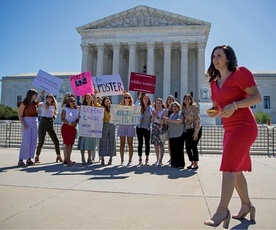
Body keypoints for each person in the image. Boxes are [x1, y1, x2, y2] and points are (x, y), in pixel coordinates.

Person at [204, 45, 261, 228]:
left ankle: (222, 211)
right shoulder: (213, 82)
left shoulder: (240, 74)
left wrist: (235, 105)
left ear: (228, 58)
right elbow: (217, 106)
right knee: (235, 170)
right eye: (213, 56)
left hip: (244, 126)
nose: (215, 58)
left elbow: (256, 97)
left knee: (228, 167)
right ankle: (247, 205)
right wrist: (211, 112)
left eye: (219, 55)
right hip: (228, 128)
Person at [35, 93, 62, 163]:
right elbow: (36, 103)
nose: (49, 98)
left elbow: (55, 113)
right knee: (41, 141)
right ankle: (37, 156)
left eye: (50, 97)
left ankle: (58, 155)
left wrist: (54, 116)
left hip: (50, 122)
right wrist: (41, 95)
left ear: (53, 98)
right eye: (47, 97)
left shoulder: (54, 106)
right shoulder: (43, 104)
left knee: (56, 140)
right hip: (43, 121)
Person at [17, 89, 42, 167]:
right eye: (35, 95)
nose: (36, 96)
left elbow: (40, 99)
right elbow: (20, 115)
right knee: (26, 140)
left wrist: (43, 92)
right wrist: (23, 124)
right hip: (26, 120)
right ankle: (21, 159)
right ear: (31, 95)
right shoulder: (23, 104)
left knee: (33, 141)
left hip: (34, 121)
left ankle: (29, 158)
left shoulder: (35, 103)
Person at [181, 94, 202, 170]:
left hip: (196, 128)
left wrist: (196, 132)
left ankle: (196, 164)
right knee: (187, 147)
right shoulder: (184, 109)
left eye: (188, 99)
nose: (187, 100)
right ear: (183, 100)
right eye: (185, 99)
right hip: (188, 129)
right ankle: (192, 162)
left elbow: (198, 119)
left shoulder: (194, 107)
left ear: (191, 100)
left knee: (194, 146)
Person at [77, 93, 99, 165]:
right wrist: (79, 117)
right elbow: (78, 115)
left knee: (90, 143)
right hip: (84, 126)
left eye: (89, 97)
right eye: (87, 98)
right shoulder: (82, 107)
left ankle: (89, 157)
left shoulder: (94, 107)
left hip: (92, 127)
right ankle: (83, 157)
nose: (88, 99)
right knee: (82, 143)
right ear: (84, 99)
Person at [164, 101, 186, 168]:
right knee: (173, 150)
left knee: (179, 150)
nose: (174, 108)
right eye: (173, 106)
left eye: (176, 106)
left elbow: (179, 121)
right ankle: (174, 163)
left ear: (178, 107)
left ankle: (181, 164)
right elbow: (166, 123)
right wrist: (165, 119)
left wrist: (169, 120)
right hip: (172, 135)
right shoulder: (171, 115)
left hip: (179, 134)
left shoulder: (180, 113)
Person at [118, 92, 136, 166]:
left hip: (130, 125)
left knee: (130, 143)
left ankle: (130, 160)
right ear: (123, 98)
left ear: (130, 99)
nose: (127, 99)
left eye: (128, 97)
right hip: (122, 125)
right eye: (125, 97)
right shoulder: (120, 106)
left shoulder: (133, 106)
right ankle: (122, 160)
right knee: (122, 143)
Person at [61, 96, 79, 166]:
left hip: (73, 128)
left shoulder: (76, 110)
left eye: (74, 101)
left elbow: (77, 118)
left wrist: (76, 122)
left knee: (71, 144)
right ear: (68, 102)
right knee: (67, 144)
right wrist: (69, 123)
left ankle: (68, 158)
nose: (73, 102)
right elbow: (62, 118)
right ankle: (67, 159)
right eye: (71, 101)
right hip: (66, 127)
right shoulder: (65, 109)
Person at [136, 93, 152, 166]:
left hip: (147, 127)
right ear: (142, 99)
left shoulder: (150, 108)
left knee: (147, 144)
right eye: (144, 98)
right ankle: (140, 159)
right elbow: (134, 113)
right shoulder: (139, 106)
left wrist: (153, 118)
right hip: (139, 127)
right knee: (140, 143)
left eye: (147, 98)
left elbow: (152, 118)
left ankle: (147, 159)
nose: (146, 99)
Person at [151, 98, 168, 166]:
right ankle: (157, 159)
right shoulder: (153, 110)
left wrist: (157, 116)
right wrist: (153, 115)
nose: (158, 104)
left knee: (161, 145)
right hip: (154, 126)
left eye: (159, 103)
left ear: (162, 103)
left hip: (161, 127)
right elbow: (152, 120)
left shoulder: (164, 111)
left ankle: (160, 160)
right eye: (157, 103)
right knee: (155, 145)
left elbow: (163, 122)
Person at [99, 97, 116, 165]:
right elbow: (95, 104)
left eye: (108, 101)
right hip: (105, 124)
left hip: (112, 124)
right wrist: (95, 95)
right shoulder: (102, 108)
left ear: (110, 101)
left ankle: (110, 158)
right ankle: (102, 158)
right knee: (103, 140)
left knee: (112, 141)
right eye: (105, 101)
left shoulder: (114, 108)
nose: (107, 102)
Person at [165, 95, 175, 164]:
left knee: (174, 144)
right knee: (169, 144)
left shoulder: (175, 109)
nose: (170, 100)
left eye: (171, 99)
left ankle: (174, 158)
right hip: (168, 128)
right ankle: (171, 157)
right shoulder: (166, 109)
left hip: (175, 128)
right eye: (169, 99)